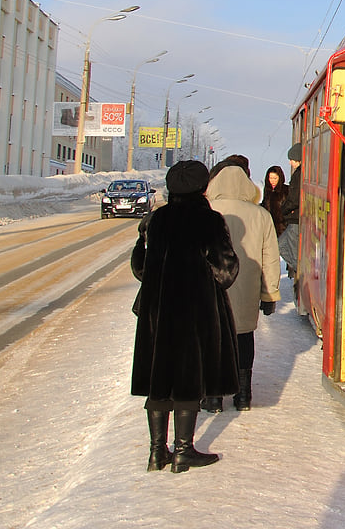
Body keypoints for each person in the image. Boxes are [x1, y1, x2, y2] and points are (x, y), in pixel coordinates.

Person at [131, 160, 238, 473]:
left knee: (159, 378)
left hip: (158, 311)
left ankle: (155, 453)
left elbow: (140, 268)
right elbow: (225, 272)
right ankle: (183, 451)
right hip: (195, 311)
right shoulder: (209, 221)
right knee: (189, 377)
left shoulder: (157, 220)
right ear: (201, 188)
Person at [207, 163, 281, 412]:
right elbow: (270, 257)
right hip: (246, 288)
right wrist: (270, 293)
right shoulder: (261, 215)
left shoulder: (208, 210)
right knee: (244, 337)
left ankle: (214, 396)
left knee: (213, 338)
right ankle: (243, 395)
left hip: (213, 287)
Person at [277, 143, 302, 293]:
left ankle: (301, 272)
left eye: (292, 159)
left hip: (295, 219)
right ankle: (299, 270)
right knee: (281, 245)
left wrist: (283, 210)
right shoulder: (299, 173)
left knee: (285, 247)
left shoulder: (299, 175)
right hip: (294, 218)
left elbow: (294, 199)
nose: (290, 162)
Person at [261, 165, 289, 236]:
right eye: (270, 178)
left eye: (275, 178)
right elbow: (265, 204)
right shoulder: (267, 190)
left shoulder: (286, 190)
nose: (272, 181)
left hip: (282, 228)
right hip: (268, 226)